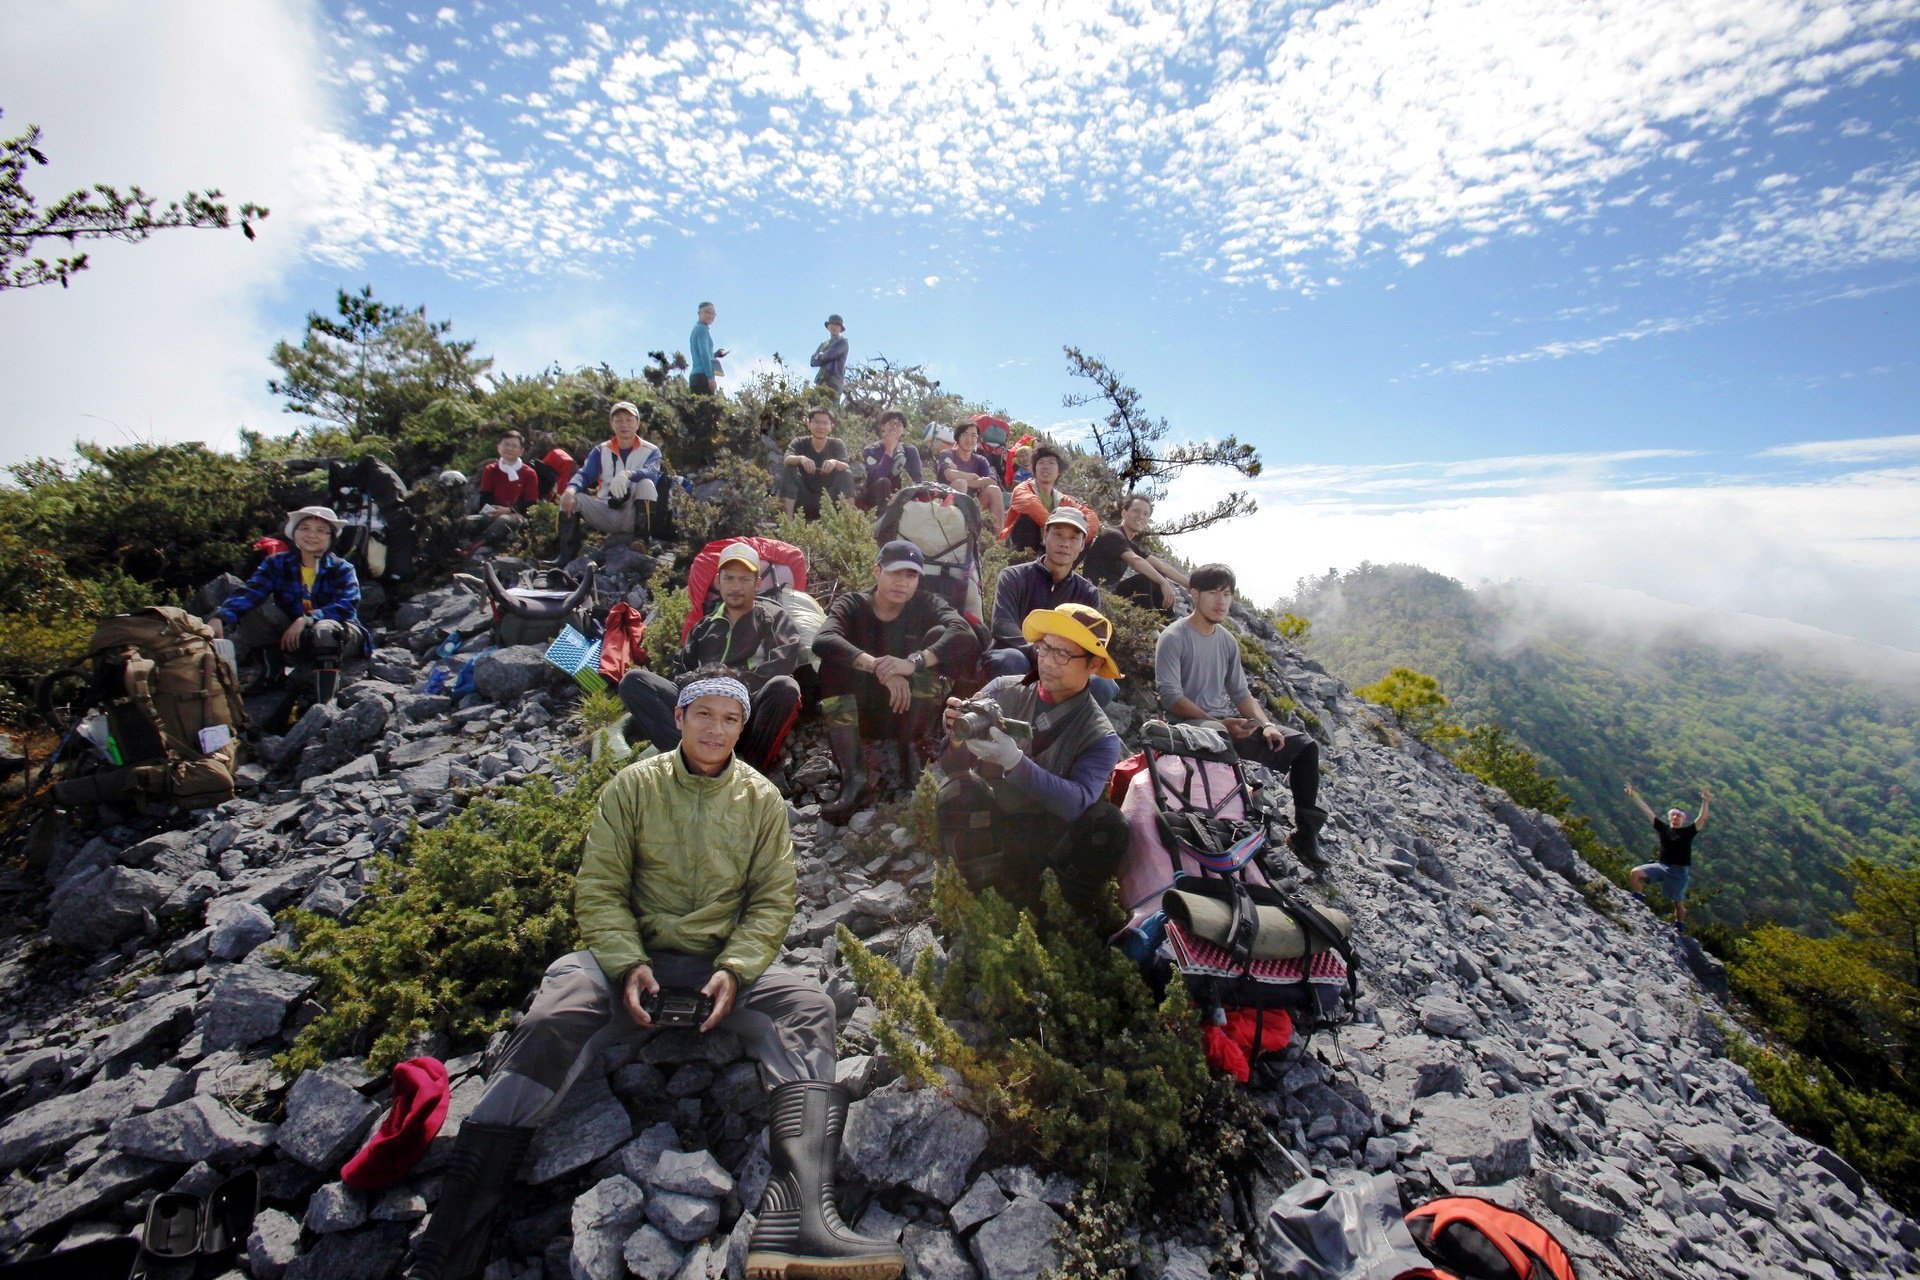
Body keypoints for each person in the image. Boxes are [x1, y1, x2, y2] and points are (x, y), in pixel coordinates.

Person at [401, 672, 904, 1280]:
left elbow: (773, 901)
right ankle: (449, 1246)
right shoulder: (633, 786)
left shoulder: (761, 799)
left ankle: (797, 1224)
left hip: (716, 966)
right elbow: (600, 888)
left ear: (742, 728)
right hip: (630, 960)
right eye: (704, 715)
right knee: (553, 1016)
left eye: (730, 719)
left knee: (808, 1006)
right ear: (681, 716)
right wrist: (627, 962)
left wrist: (736, 969)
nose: (716, 729)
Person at [937, 604, 1130, 913]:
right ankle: (981, 899)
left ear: (1093, 665)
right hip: (995, 823)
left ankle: (1057, 914)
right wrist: (957, 739)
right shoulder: (1003, 690)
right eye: (1044, 648)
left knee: (1109, 825)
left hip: (1050, 841)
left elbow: (1076, 802)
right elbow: (949, 765)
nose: (1048, 662)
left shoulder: (1100, 736)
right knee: (957, 790)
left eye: (1063, 655)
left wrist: (1014, 761)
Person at [1155, 564, 1327, 862]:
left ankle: (1305, 836)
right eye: (1213, 592)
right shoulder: (1174, 637)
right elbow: (1171, 697)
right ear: (1193, 594)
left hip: (1225, 724)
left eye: (1227, 594)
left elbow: (1241, 694)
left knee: (1304, 747)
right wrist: (1219, 722)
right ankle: (1230, 819)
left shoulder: (1227, 640)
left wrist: (1267, 724)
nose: (1221, 601)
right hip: (1188, 727)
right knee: (1221, 735)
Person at [811, 541, 981, 822]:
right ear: (877, 571)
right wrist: (879, 667)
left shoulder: (925, 603)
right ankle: (854, 778)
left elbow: (964, 635)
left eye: (911, 575)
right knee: (833, 662)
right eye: (895, 573)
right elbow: (823, 640)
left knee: (939, 635)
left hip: (910, 711)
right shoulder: (853, 604)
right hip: (861, 713)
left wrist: (912, 664)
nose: (902, 583)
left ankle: (913, 756)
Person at [617, 543, 804, 775]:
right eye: (729, 578)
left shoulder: (774, 617)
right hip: (702, 706)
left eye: (744, 580)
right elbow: (679, 672)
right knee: (634, 682)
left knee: (785, 687)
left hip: (746, 710)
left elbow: (784, 660)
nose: (736, 586)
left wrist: (733, 684)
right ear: (719, 581)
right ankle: (692, 762)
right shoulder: (704, 625)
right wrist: (704, 685)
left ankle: (745, 770)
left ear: (757, 584)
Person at [207, 505, 368, 703]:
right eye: (305, 528)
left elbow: (347, 605)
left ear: (332, 537)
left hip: (341, 635)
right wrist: (221, 617)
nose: (311, 535)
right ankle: (271, 675)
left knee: (324, 628)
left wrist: (307, 618)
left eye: (320, 530)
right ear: (294, 532)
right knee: (254, 608)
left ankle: (324, 702)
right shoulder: (277, 563)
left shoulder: (342, 568)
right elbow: (251, 592)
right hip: (296, 637)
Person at [983, 508, 1116, 706]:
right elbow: (1003, 625)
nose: (1065, 543)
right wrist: (1039, 652)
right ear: (1045, 536)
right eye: (1058, 534)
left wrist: (1059, 658)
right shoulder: (1013, 576)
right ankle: (999, 726)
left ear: (1082, 545)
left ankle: (1063, 733)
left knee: (1103, 684)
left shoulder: (1088, 593)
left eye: (1073, 538)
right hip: (1015, 653)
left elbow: (1090, 642)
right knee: (1012, 660)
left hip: (1063, 663)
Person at [558, 402, 668, 558]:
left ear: (637, 423)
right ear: (612, 424)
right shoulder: (601, 450)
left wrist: (628, 474)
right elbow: (585, 474)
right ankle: (566, 555)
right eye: (618, 420)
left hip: (633, 514)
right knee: (573, 498)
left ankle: (641, 539)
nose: (624, 424)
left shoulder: (651, 450)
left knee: (646, 483)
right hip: (606, 510)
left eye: (629, 420)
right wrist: (570, 489)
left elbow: (651, 472)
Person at [1083, 493, 1190, 613]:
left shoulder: (1130, 543)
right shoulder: (1113, 534)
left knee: (1157, 575)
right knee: (1146, 579)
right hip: (1094, 592)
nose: (1141, 516)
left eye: (1146, 514)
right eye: (1136, 511)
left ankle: (1166, 623)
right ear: (1124, 513)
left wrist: (1192, 586)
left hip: (1110, 592)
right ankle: (1148, 627)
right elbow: (1136, 561)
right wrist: (1163, 582)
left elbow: (1162, 566)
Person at [1626, 783, 1711, 929]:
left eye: (1679, 816)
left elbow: (1701, 819)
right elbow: (1647, 811)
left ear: (1683, 819)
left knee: (1677, 903)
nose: (1676, 817)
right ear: (1669, 816)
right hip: (1662, 865)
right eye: (1673, 814)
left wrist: (1705, 801)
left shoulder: (1687, 832)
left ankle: (1679, 925)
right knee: (1636, 873)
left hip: (1679, 871)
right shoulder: (1663, 829)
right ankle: (1637, 901)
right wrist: (1634, 795)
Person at [999, 443, 1099, 552]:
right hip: (1017, 548)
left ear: (1059, 471)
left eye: (1051, 463)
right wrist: (1061, 533)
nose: (1045, 466)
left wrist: (1081, 535)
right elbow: (1031, 505)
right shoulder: (1022, 489)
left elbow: (1090, 515)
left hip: (1049, 547)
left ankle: (1063, 567)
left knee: (1083, 536)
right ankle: (1025, 562)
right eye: (1041, 462)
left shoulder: (1061, 499)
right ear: (1034, 469)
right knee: (1026, 519)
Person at [461, 429, 542, 554]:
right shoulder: (491, 469)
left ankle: (473, 548)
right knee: (468, 521)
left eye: (514, 446)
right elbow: (485, 495)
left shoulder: (529, 473)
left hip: (517, 515)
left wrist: (509, 510)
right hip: (493, 511)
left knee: (504, 520)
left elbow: (531, 502)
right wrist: (494, 510)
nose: (509, 448)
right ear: (498, 447)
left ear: (521, 451)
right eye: (506, 444)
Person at [778, 406, 854, 519]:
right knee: (789, 469)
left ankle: (848, 522)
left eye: (825, 423)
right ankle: (787, 523)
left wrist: (834, 462)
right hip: (803, 498)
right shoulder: (799, 442)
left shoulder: (837, 444)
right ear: (808, 424)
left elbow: (845, 465)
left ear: (831, 427)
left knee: (846, 474)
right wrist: (801, 459)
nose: (821, 426)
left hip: (828, 500)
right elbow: (787, 459)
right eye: (816, 422)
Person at [935, 419, 1006, 526]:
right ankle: (958, 527)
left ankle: (997, 539)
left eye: (973, 435)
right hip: (948, 504)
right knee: (960, 483)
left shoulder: (981, 460)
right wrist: (973, 477)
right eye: (965, 434)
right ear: (957, 437)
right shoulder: (947, 454)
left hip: (974, 505)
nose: (969, 439)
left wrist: (963, 477)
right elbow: (949, 475)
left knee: (994, 490)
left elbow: (992, 481)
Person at [854, 408, 923, 511]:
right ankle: (883, 521)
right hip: (875, 496)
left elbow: (917, 479)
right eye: (890, 423)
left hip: (902, 496)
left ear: (903, 430)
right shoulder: (870, 450)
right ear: (883, 426)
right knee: (884, 482)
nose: (894, 427)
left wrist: (902, 494)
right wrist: (889, 450)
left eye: (899, 424)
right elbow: (878, 476)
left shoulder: (911, 451)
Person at [688, 301, 725, 395]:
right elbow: (704, 353)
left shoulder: (697, 329)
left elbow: (704, 353)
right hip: (702, 375)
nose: (710, 316)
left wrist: (715, 355)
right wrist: (710, 377)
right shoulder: (702, 329)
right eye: (707, 312)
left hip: (696, 376)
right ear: (699, 313)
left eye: (713, 314)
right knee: (707, 408)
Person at [810, 313, 849, 399]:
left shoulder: (843, 342)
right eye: (832, 324)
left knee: (831, 409)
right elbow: (813, 362)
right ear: (828, 326)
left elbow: (829, 356)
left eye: (837, 325)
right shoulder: (823, 344)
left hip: (834, 380)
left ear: (840, 328)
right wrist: (821, 356)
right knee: (817, 406)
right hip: (821, 379)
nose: (834, 327)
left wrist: (820, 356)